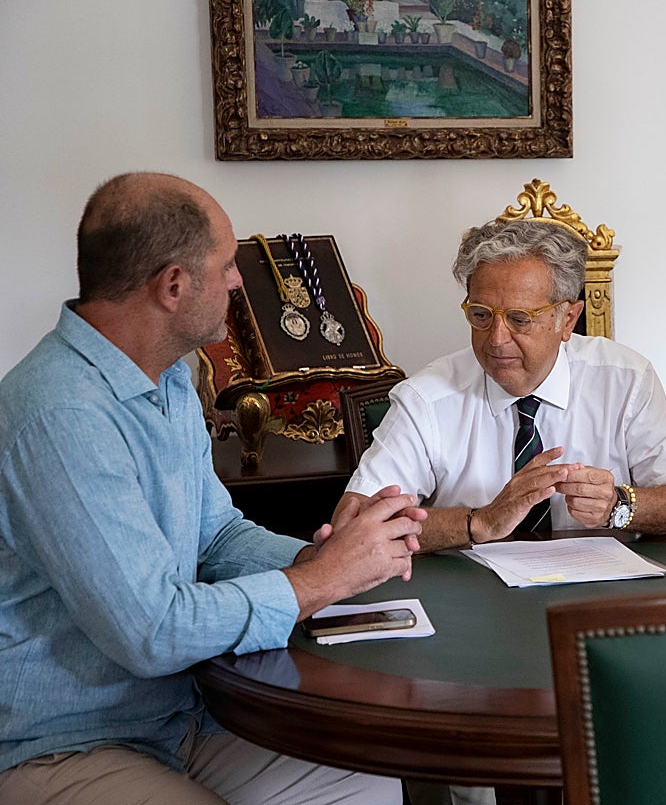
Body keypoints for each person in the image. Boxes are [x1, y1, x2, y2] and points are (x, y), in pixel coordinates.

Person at [0, 172, 424, 805]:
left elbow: (215, 533)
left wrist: (323, 557)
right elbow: (152, 631)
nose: (236, 280)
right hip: (66, 745)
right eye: (226, 265)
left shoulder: (168, 377)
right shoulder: (63, 416)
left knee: (368, 780)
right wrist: (321, 583)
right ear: (173, 286)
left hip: (177, 720)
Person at [337, 218, 666, 805]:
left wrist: (622, 504)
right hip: (469, 625)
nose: (496, 340)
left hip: (599, 615)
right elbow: (354, 522)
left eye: (521, 319)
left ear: (568, 317)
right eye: (480, 315)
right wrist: (478, 522)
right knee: (481, 778)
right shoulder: (429, 396)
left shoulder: (623, 377)